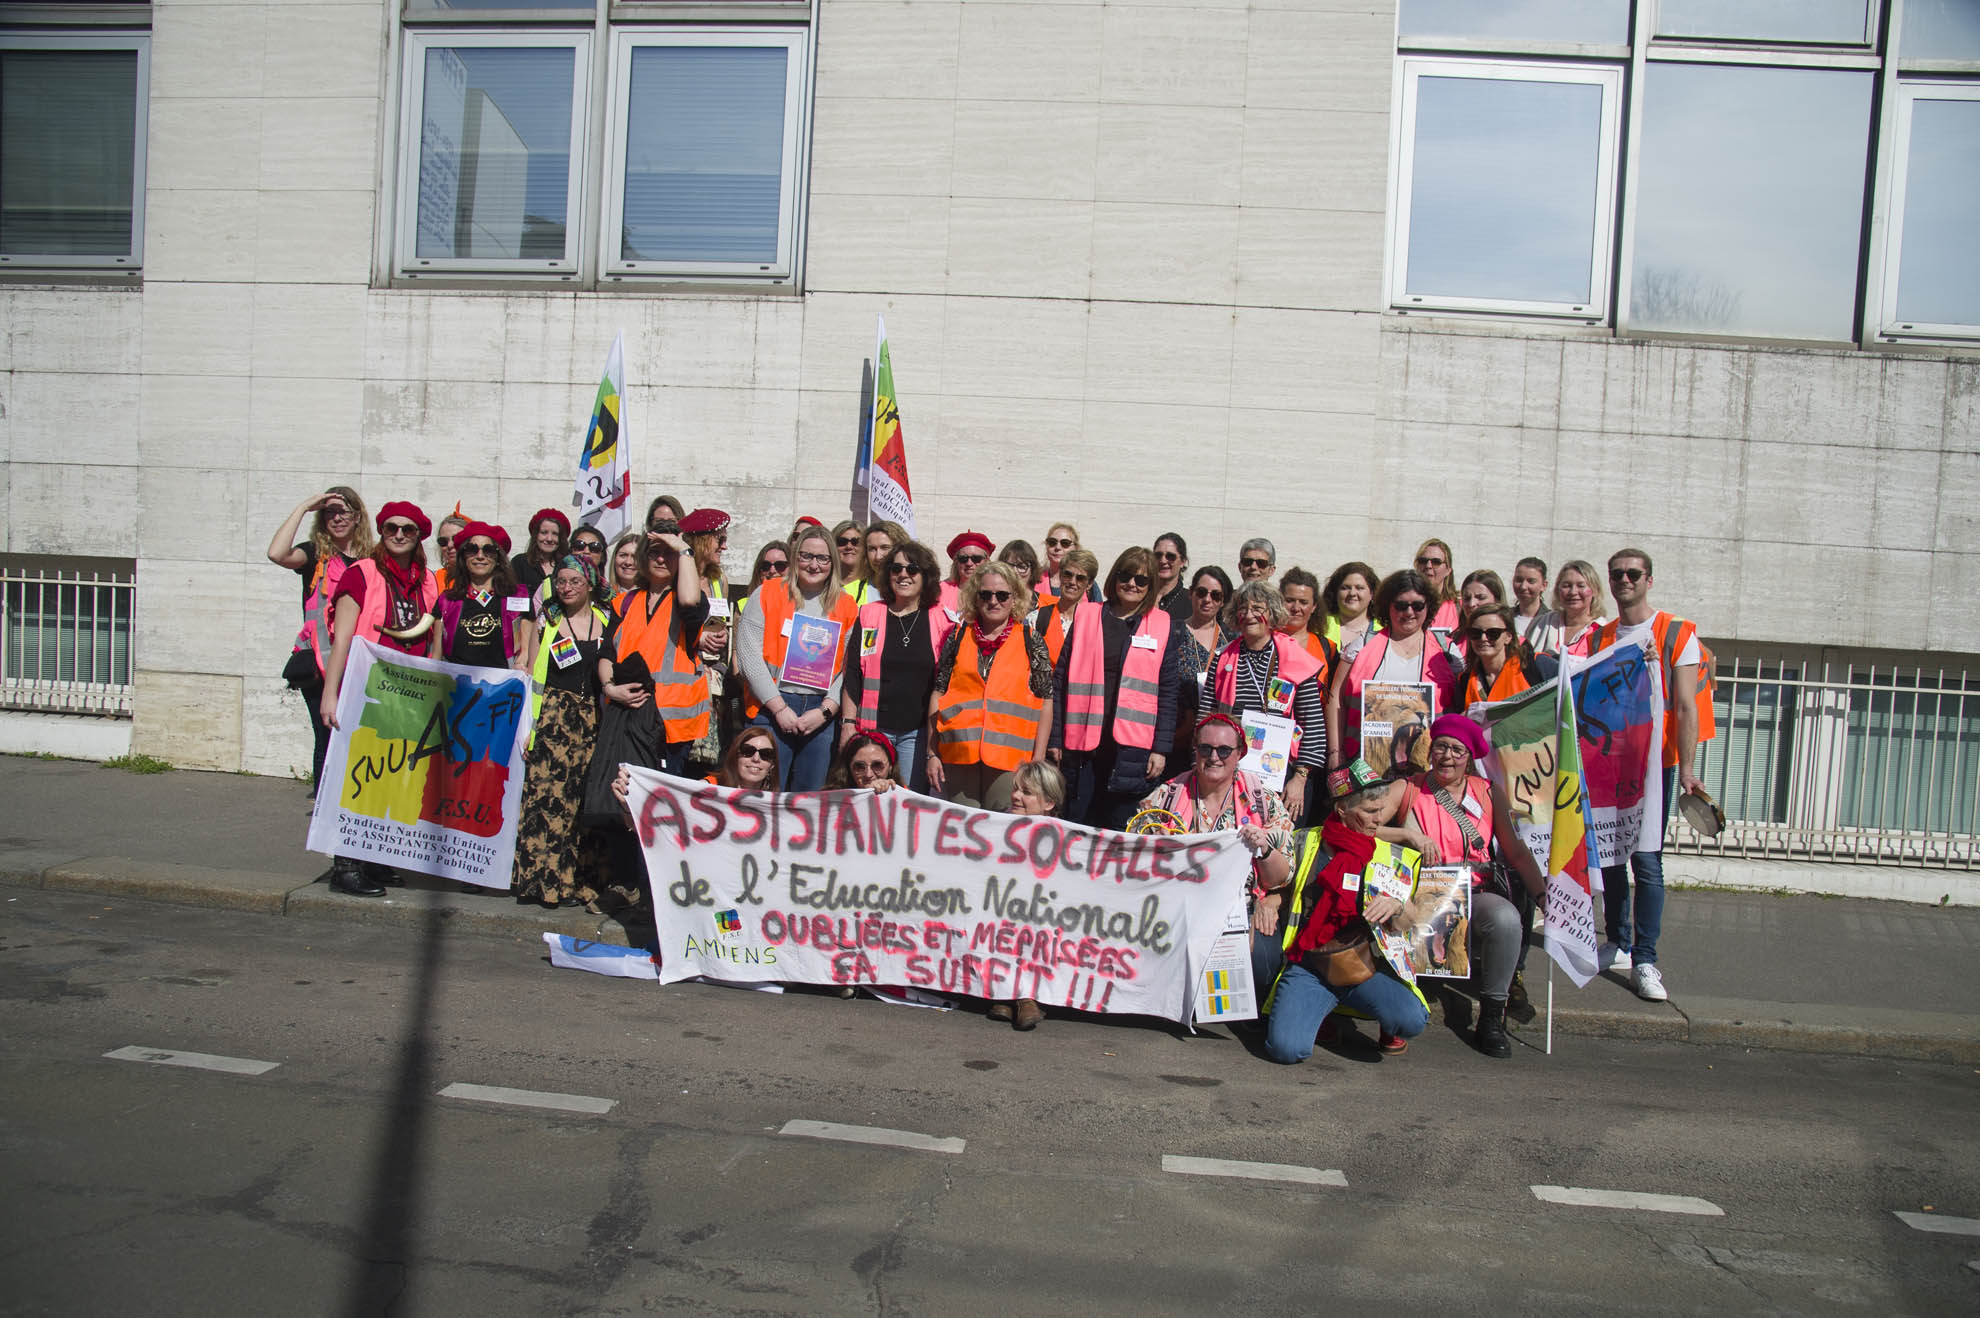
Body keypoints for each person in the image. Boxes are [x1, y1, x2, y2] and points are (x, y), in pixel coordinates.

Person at [1377, 715, 1545, 1058]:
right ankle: (1395, 1008)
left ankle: (1492, 1017)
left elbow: (1516, 852)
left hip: (1474, 893)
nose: (1448, 756)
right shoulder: (1408, 788)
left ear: (1469, 758)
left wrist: (1544, 896)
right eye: (1441, 747)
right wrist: (1408, 834)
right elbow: (1363, 824)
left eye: (1457, 750)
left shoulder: (1488, 793)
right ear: (1430, 751)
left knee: (1506, 919)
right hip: (1417, 894)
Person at [1590, 548, 1708, 1004]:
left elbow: (1686, 706)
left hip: (1655, 764)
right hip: (1611, 763)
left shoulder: (1676, 632)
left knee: (1646, 861)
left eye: (1633, 574)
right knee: (1612, 855)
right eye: (1617, 573)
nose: (1625, 580)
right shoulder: (1601, 637)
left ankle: (1645, 958)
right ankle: (1618, 942)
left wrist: (1688, 768)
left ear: (1649, 580)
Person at [1258, 758, 1430, 1064]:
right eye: (1370, 811)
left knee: (1411, 1020)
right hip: (1310, 963)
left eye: (1381, 810)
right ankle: (1319, 1010)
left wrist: (1397, 906)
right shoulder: (1305, 841)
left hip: (1363, 964)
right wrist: (1271, 901)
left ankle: (1337, 1010)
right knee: (1286, 1050)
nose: (1379, 819)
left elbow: (1409, 920)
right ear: (1341, 809)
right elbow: (1283, 886)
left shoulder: (1388, 854)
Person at [317, 501, 440, 897]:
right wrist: (330, 694)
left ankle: (372, 857)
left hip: (407, 696)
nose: (399, 535)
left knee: (387, 776)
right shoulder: (362, 573)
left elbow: (432, 640)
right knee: (357, 776)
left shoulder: (427, 582)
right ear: (381, 532)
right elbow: (341, 640)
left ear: (418, 536)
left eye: (407, 529)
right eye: (391, 528)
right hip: (365, 691)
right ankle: (345, 865)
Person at [1138, 713, 1294, 996]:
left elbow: (1280, 879)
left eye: (1224, 750)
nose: (1213, 757)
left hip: (1241, 908)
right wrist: (1154, 849)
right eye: (1205, 749)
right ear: (1194, 750)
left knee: (1261, 964)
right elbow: (1132, 863)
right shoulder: (1166, 797)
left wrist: (1264, 849)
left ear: (1239, 753)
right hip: (1178, 908)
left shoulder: (1263, 800)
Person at [1050, 547, 1182, 829]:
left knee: (1119, 830)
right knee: (1076, 825)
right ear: (1114, 577)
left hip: (1133, 750)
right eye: (1125, 576)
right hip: (1082, 745)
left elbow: (1169, 693)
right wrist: (1055, 738)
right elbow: (1060, 681)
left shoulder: (1162, 625)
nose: (1132, 584)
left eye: (1141, 580)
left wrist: (1160, 749)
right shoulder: (1087, 615)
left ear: (1150, 585)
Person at [512, 553, 609, 910]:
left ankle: (576, 883)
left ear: (590, 585)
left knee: (581, 802)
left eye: (575, 581)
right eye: (561, 582)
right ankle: (542, 883)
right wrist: (530, 727)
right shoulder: (547, 621)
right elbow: (533, 677)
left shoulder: (606, 621)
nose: (567, 588)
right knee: (546, 801)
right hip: (553, 718)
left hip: (591, 722)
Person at [266, 485, 373, 790]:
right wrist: (304, 507)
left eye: (343, 512)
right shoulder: (315, 554)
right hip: (319, 661)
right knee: (325, 732)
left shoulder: (371, 559)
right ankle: (323, 798)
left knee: (361, 734)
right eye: (329, 513)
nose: (336, 518)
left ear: (357, 517)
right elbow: (277, 553)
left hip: (359, 660)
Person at [739, 524, 857, 791]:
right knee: (764, 794)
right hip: (770, 708)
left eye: (823, 558)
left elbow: (849, 669)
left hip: (820, 714)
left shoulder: (846, 605)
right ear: (795, 557)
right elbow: (748, 656)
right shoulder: (767, 593)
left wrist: (826, 711)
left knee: (809, 798)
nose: (814, 565)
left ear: (833, 562)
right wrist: (779, 708)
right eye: (806, 556)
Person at [928, 559, 1053, 810]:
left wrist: (1037, 761)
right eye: (985, 594)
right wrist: (932, 753)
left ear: (1014, 598)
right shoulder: (958, 636)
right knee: (963, 826)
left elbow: (1046, 701)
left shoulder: (1031, 640)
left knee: (1002, 827)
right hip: (959, 755)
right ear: (975, 598)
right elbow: (938, 694)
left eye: (1002, 595)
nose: (993, 601)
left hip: (1011, 762)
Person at [599, 525, 709, 778]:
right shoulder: (624, 602)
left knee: (661, 799)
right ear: (643, 557)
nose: (661, 559)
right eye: (654, 552)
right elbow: (606, 654)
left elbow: (689, 601)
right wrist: (610, 688)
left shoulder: (689, 600)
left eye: (669, 552)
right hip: (627, 715)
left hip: (671, 728)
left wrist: (684, 550)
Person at [841, 538, 949, 792]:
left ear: (926, 576)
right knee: (870, 798)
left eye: (912, 569)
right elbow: (853, 674)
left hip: (917, 734)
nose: (903, 574)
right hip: (873, 730)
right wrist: (847, 723)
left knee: (908, 799)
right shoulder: (869, 614)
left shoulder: (942, 619)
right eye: (896, 568)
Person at [1211, 580, 1325, 819]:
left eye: (1257, 608)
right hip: (1231, 770)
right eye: (1243, 608)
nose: (1248, 615)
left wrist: (1300, 779)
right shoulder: (1222, 659)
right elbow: (1206, 716)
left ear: (1272, 612)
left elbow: (1313, 725)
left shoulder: (1296, 659)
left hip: (1283, 775)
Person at [1328, 568, 1462, 769]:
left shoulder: (1447, 651)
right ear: (1387, 606)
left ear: (1428, 607)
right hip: (1363, 765)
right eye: (1401, 605)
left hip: (1429, 769)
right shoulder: (1361, 645)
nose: (1409, 612)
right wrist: (1335, 752)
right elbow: (1335, 699)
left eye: (1417, 605)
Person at [991, 759, 1068, 1031]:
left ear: (1049, 802)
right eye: (1015, 789)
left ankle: (1024, 997)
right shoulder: (995, 826)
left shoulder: (1067, 839)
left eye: (1026, 792)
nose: (1015, 796)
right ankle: (1010, 994)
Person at [435, 522, 535, 671]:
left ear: (498, 557)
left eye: (488, 550)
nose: (480, 556)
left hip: (503, 682)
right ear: (463, 556)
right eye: (472, 549)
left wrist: (521, 663)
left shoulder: (519, 596)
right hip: (457, 683)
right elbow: (436, 656)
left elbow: (527, 651)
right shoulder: (447, 601)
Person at [1169, 566, 1232, 777]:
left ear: (1223, 601)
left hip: (1215, 743)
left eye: (1216, 595)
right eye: (1201, 592)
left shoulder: (1231, 639)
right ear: (1191, 593)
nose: (1207, 600)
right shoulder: (1172, 631)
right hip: (1176, 737)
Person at [1457, 603, 1556, 709]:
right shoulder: (1465, 680)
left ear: (1508, 637)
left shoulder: (1535, 664)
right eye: (1475, 633)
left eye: (1493, 633)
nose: (1483, 638)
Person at [1278, 567, 1341, 697]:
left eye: (1303, 602)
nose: (1296, 608)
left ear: (1314, 606)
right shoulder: (1264, 641)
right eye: (1289, 600)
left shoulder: (1328, 648)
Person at [1527, 559, 1608, 658]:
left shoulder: (1603, 631)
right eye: (1566, 586)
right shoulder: (1542, 624)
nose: (1573, 592)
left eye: (1581, 586)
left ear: (1594, 590)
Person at [1031, 547, 1095, 668]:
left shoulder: (1096, 623)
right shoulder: (1036, 618)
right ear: (1060, 576)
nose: (1072, 582)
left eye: (1080, 578)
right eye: (1067, 575)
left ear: (1089, 584)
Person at [680, 508, 732, 626]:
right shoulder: (678, 577)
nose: (724, 547)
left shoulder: (720, 580)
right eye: (720, 540)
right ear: (701, 541)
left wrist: (722, 632)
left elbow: (720, 623)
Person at [1321, 561, 1381, 661]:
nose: (1352, 593)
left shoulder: (1384, 631)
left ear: (1372, 594)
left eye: (1359, 588)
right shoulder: (1319, 625)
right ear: (1335, 592)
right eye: (1345, 588)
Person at [848, 519, 906, 608]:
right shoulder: (848, 593)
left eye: (885, 547)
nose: (878, 557)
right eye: (872, 549)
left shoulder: (916, 592)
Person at [512, 509, 569, 598]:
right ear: (536, 535)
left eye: (555, 534)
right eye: (544, 533)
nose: (549, 539)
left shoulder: (568, 564)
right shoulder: (520, 563)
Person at [1413, 538, 1462, 636]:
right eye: (1423, 561)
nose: (1428, 566)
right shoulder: (1404, 605)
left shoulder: (1461, 608)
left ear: (1448, 570)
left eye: (1436, 562)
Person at [825, 730, 900, 792]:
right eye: (859, 766)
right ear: (848, 768)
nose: (868, 774)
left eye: (877, 765)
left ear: (891, 766)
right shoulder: (830, 800)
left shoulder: (904, 798)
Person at [941, 530, 993, 616]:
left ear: (987, 561)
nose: (969, 563)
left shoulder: (995, 592)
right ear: (956, 562)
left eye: (976, 558)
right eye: (963, 559)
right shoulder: (940, 591)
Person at [711, 726, 780, 790]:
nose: (756, 759)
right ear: (735, 756)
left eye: (766, 754)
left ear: (772, 764)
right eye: (748, 751)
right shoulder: (709, 787)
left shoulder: (776, 798)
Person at [1041, 523, 1089, 601]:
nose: (1057, 547)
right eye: (1052, 542)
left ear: (1076, 548)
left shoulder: (1085, 582)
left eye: (1065, 543)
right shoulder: (1033, 580)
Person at [1151, 532, 1190, 621]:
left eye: (1170, 556)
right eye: (1158, 555)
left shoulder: (1191, 601)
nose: (1163, 561)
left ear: (1183, 561)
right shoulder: (1141, 595)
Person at [1510, 557, 1549, 644]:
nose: (1523, 586)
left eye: (1531, 581)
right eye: (1519, 580)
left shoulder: (1552, 622)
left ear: (1544, 585)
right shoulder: (1504, 617)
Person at [829, 520, 868, 601]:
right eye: (842, 542)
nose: (849, 547)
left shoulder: (874, 587)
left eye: (856, 542)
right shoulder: (823, 584)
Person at [432, 508, 468, 593]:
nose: (450, 545)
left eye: (457, 539)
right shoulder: (432, 580)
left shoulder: (486, 580)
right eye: (443, 541)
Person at [606, 531, 644, 608]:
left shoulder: (652, 598)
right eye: (623, 555)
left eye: (635, 557)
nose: (628, 562)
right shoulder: (603, 597)